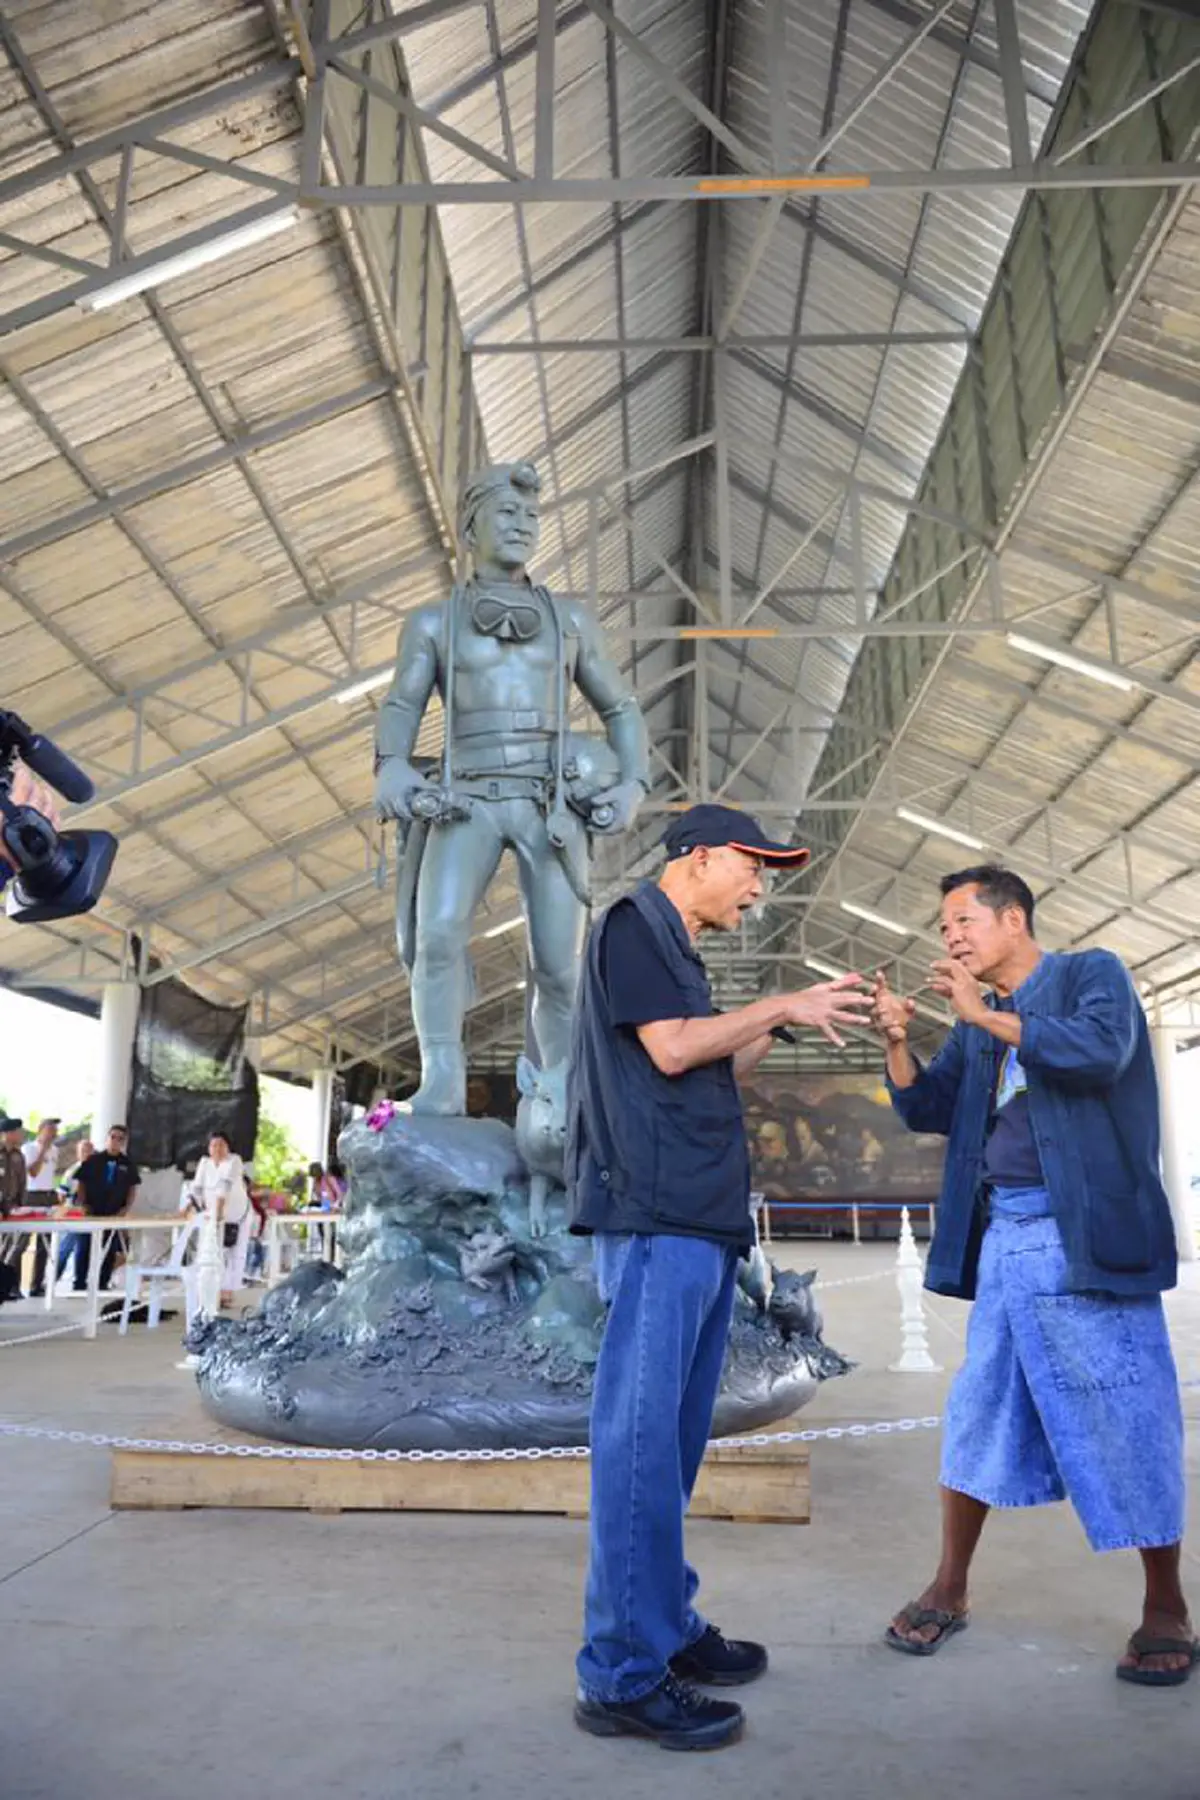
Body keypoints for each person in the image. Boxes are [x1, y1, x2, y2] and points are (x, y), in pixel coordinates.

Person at [566, 802, 874, 1750]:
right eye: (751, 866)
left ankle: (664, 1627)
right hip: (656, 1219)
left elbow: (705, 1064)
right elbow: (667, 1048)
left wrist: (784, 1021)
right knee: (640, 1449)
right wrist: (779, 1002)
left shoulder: (681, 951)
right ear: (695, 859)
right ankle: (620, 1673)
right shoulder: (632, 925)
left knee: (672, 1453)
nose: (760, 884)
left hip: (696, 1222)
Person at [871, 864, 1194, 1687]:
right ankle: (951, 1587)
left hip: (1084, 1240)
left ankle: (1166, 1606)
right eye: (943, 929)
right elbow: (927, 1110)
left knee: (1129, 1411)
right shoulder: (976, 1024)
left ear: (1013, 919)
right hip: (1006, 1243)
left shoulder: (1093, 976)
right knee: (977, 1412)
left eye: (962, 921)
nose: (950, 938)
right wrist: (898, 1040)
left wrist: (984, 1014)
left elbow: (1099, 1051)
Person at [374, 459, 649, 1115]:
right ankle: (441, 1073)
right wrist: (391, 763)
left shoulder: (572, 622)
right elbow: (403, 703)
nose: (523, 527)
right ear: (470, 527)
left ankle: (563, 1089)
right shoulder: (433, 623)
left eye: (531, 518)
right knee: (435, 936)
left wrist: (634, 781)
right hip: (463, 797)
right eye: (507, 514)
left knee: (559, 963)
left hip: (549, 804)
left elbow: (620, 706)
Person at [64, 1126, 140, 1295]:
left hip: (113, 1212)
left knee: (109, 1248)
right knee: (84, 1246)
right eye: (113, 1137)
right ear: (107, 1139)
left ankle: (102, 1281)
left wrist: (126, 1208)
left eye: (120, 1138)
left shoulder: (127, 1164)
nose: (116, 1141)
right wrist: (82, 1204)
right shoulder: (93, 1160)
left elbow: (132, 1188)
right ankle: (80, 1282)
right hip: (92, 1210)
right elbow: (81, 1181)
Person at [186, 1133, 251, 1306]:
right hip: (212, 1214)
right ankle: (210, 1290)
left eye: (221, 1145)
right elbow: (196, 1188)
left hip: (236, 1213)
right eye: (214, 1145)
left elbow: (225, 1186)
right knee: (212, 1251)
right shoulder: (205, 1163)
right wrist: (189, 1208)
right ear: (209, 1148)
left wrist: (219, 1211)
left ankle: (227, 1291)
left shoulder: (234, 1160)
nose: (217, 1149)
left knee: (235, 1253)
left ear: (228, 1147)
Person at [21, 1117, 60, 1297]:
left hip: (48, 1195)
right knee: (22, 1240)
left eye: (55, 1130)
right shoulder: (28, 1148)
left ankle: (37, 1283)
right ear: (40, 1130)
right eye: (49, 1130)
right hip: (31, 1194)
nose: (53, 1133)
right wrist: (42, 1150)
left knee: (45, 1243)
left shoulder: (55, 1150)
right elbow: (32, 1172)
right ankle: (13, 1283)